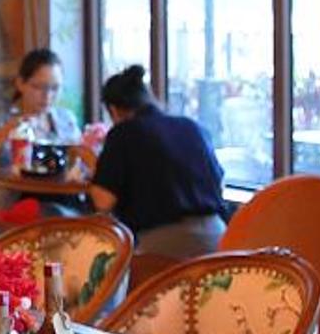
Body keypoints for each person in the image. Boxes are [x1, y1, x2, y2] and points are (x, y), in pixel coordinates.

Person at [84, 64, 228, 261]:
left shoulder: (124, 133)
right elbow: (220, 184)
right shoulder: (192, 127)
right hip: (219, 241)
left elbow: (103, 201)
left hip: (164, 247)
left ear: (114, 110)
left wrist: (94, 167)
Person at [0, 47, 82, 171]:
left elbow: (80, 164)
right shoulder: (1, 118)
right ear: (20, 83)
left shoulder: (66, 120)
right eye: (39, 87)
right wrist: (2, 134)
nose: (47, 95)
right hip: (11, 184)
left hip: (58, 183)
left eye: (55, 88)